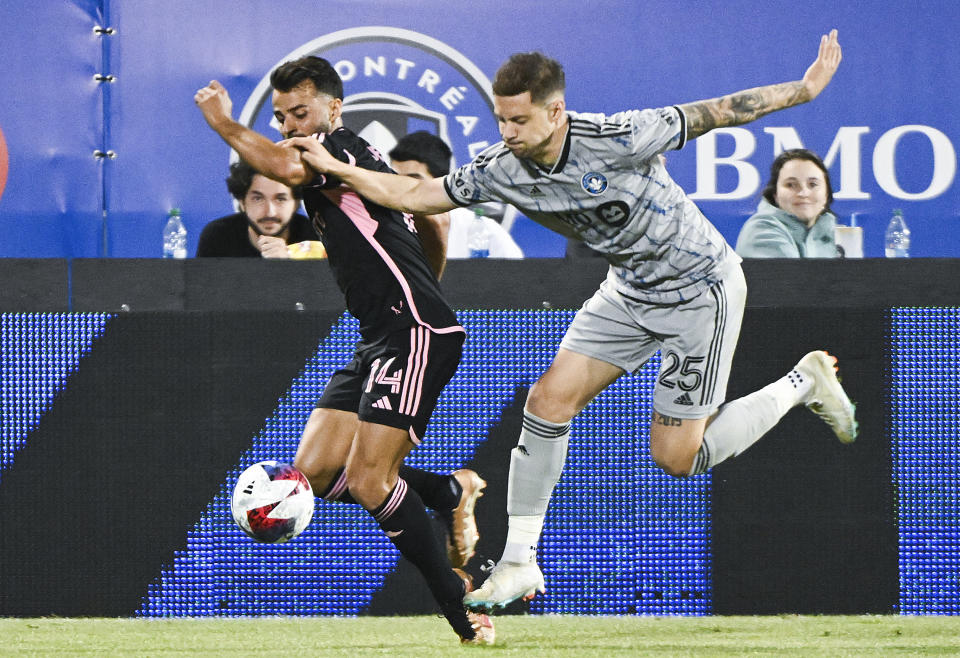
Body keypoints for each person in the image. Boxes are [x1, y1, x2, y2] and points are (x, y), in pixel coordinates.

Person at [284, 30, 857, 614]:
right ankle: (517, 563)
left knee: (678, 457)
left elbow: (716, 113)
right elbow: (420, 194)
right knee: (547, 402)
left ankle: (802, 382)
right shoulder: (500, 167)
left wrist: (804, 91)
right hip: (629, 289)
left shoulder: (618, 136)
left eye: (518, 121)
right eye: (500, 119)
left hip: (700, 290)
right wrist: (339, 169)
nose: (506, 133)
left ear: (555, 111)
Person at [194, 56, 494, 645]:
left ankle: (463, 612)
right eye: (280, 117)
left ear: (334, 108)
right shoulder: (364, 163)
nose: (289, 127)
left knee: (370, 483)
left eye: (299, 113)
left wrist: (225, 125)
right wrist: (419, 284)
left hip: (412, 332)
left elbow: (284, 165)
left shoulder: (338, 151)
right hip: (385, 333)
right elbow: (432, 222)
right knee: (314, 474)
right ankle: (449, 492)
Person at [388, 131, 524, 259]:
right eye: (396, 178)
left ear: (440, 182)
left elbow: (516, 277)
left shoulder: (482, 230)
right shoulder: (380, 226)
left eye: (414, 179)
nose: (403, 188)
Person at [196, 159, 325, 258]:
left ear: (296, 203)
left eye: (280, 199)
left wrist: (290, 259)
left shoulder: (316, 237)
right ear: (242, 203)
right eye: (258, 199)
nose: (270, 211)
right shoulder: (217, 236)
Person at [736, 148, 838, 258]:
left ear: (826, 194)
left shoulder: (833, 234)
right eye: (791, 185)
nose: (803, 193)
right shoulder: (760, 230)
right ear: (775, 194)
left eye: (813, 184)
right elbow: (792, 275)